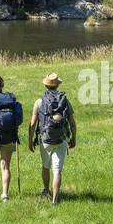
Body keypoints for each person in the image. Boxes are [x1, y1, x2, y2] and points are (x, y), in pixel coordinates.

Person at [28, 72, 75, 204]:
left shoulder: (39, 102)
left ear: (46, 86)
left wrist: (30, 140)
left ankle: (45, 190)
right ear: (57, 85)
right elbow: (72, 123)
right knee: (57, 170)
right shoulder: (64, 101)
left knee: (45, 166)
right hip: (61, 139)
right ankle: (55, 199)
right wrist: (73, 138)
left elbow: (32, 124)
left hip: (45, 139)